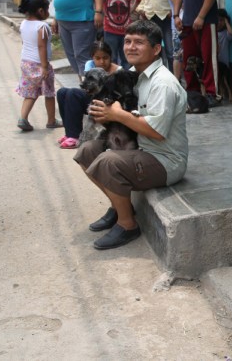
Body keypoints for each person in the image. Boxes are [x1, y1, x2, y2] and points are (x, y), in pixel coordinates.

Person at [74, 20, 188, 250]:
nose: (130, 47)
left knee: (107, 161)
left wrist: (116, 114)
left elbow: (156, 132)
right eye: (127, 41)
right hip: (139, 147)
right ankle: (118, 208)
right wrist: (105, 115)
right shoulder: (132, 74)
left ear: (156, 50)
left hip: (164, 158)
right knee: (86, 150)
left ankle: (127, 224)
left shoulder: (163, 84)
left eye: (139, 42)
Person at [56, 41, 122, 149]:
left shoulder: (118, 71)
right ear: (92, 58)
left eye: (105, 58)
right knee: (62, 92)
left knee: (73, 93)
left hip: (106, 102)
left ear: (111, 57)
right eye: (98, 58)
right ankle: (69, 132)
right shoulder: (89, 65)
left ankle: (74, 136)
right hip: (92, 96)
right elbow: (86, 86)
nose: (102, 61)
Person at [15, 0, 62, 132]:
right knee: (49, 92)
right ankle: (51, 120)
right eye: (47, 9)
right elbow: (41, 47)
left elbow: (25, 42)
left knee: (30, 92)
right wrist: (44, 66)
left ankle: (22, 118)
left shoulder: (23, 24)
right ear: (41, 11)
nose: (48, 12)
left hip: (26, 62)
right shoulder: (42, 27)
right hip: (39, 64)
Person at [102, 0, 142, 69]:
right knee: (111, 57)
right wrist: (103, 11)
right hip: (109, 29)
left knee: (127, 58)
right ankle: (113, 82)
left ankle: (127, 81)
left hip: (125, 29)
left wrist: (130, 10)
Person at [216, 8, 232, 100]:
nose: (219, 23)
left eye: (221, 20)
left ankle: (228, 94)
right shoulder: (213, 33)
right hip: (215, 62)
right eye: (217, 20)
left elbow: (231, 33)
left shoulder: (225, 34)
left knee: (224, 80)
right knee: (218, 80)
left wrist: (227, 23)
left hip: (224, 63)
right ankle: (219, 94)